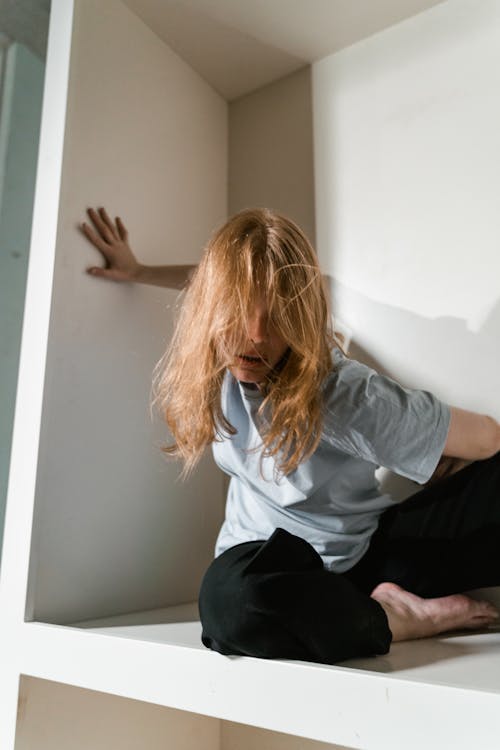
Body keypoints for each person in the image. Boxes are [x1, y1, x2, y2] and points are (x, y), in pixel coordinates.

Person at [80, 206, 500, 664]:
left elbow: (488, 437)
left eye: (277, 314)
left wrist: (441, 454)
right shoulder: (214, 356)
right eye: (239, 309)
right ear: (212, 305)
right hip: (266, 567)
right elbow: (208, 279)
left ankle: (371, 609)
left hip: (364, 554)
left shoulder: (343, 392)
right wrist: (138, 271)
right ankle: (396, 619)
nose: (255, 335)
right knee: (230, 605)